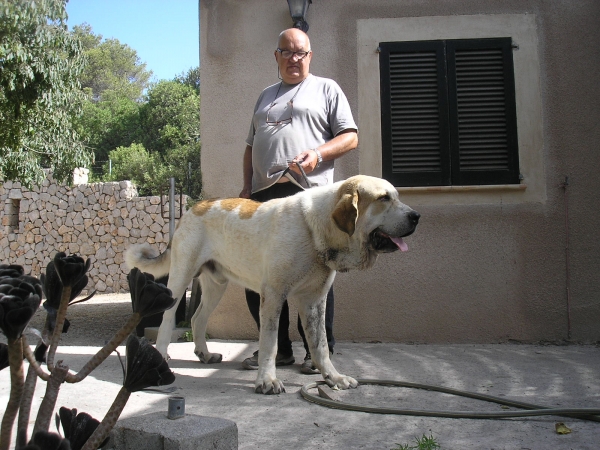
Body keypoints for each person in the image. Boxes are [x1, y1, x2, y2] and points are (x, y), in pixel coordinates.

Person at [239, 27, 358, 374]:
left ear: (310, 56)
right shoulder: (264, 96)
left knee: (317, 272)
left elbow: (350, 137)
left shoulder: (327, 89)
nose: (294, 58)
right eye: (287, 52)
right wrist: (245, 187)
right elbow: (250, 146)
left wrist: (318, 155)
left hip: (309, 197)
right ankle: (278, 351)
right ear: (276, 56)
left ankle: (318, 352)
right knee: (259, 274)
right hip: (264, 196)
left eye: (300, 52)